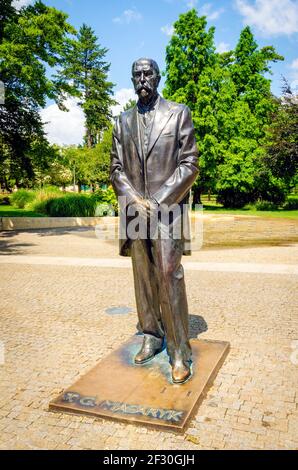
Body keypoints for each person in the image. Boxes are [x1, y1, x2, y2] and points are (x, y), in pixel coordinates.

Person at [110, 58, 199, 383]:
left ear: (158, 77)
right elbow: (116, 169)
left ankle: (179, 351)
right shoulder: (122, 122)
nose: (143, 78)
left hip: (167, 212)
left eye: (148, 73)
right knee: (144, 278)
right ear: (132, 79)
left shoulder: (178, 113)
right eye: (137, 74)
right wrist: (134, 200)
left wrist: (157, 201)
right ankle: (151, 335)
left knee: (168, 276)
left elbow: (189, 164)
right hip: (135, 214)